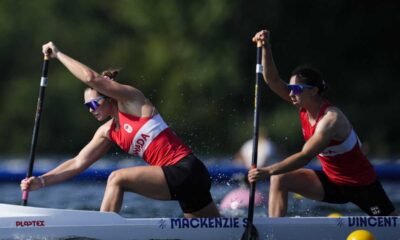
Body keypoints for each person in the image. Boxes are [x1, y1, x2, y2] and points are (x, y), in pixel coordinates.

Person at [20, 42, 220, 218]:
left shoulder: (132, 101)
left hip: (187, 170)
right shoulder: (107, 131)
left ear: (108, 96)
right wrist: (41, 181)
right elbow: (77, 163)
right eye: (87, 107)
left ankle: (101, 232)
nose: (91, 111)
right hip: (184, 183)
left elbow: (91, 78)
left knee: (117, 178)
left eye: (93, 104)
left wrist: (58, 54)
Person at [248, 29, 397, 217]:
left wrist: (267, 170)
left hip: (362, 185)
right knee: (280, 179)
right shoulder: (302, 103)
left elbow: (305, 156)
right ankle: (273, 233)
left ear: (314, 91)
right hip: (331, 182)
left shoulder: (331, 119)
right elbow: (272, 80)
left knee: (392, 224)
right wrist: (266, 47)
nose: (291, 93)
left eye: (296, 88)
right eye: (290, 88)